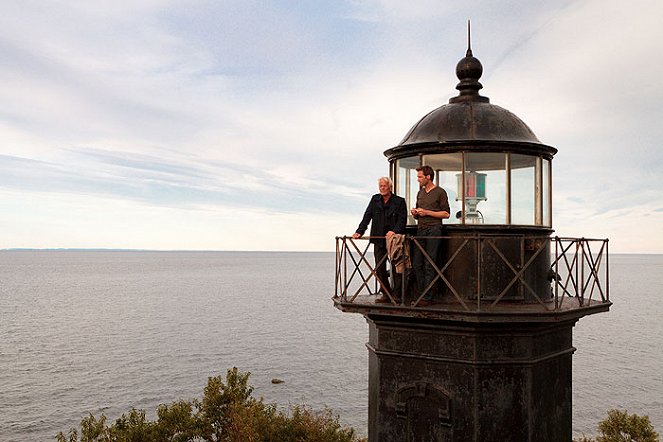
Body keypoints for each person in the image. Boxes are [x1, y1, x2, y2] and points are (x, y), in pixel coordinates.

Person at [353, 177, 407, 303]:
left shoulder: (399, 201)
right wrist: (359, 232)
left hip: (393, 239)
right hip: (378, 238)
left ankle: (397, 295)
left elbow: (402, 220)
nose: (382, 188)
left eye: (384, 186)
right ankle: (386, 293)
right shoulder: (375, 199)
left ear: (390, 187)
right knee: (379, 268)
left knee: (396, 267)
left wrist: (394, 231)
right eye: (380, 186)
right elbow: (367, 216)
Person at [410, 165, 450, 306]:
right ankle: (422, 293)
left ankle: (428, 297)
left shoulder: (440, 192)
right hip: (421, 229)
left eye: (420, 177)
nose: (418, 179)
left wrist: (427, 212)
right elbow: (419, 214)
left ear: (428, 177)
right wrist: (415, 213)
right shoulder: (420, 193)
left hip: (434, 229)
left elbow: (446, 214)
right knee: (416, 263)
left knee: (429, 263)